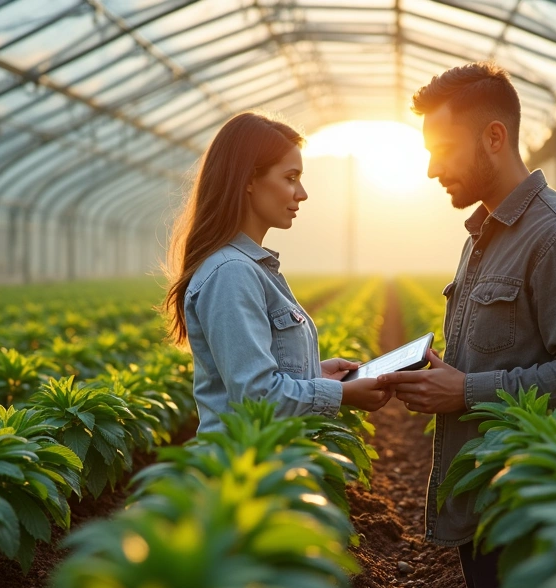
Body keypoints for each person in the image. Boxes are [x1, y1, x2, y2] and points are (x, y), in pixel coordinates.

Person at [377, 63, 556, 588]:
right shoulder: (485, 234)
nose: (432, 168)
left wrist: (463, 391)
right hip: (484, 498)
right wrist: (444, 378)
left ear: (494, 136)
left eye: (441, 149)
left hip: (528, 512)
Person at [164, 112, 391, 434]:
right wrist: (340, 394)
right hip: (246, 472)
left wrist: (314, 373)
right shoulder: (232, 273)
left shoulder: (250, 268)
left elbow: (257, 379)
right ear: (248, 181)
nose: (302, 193)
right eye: (290, 177)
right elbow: (257, 398)